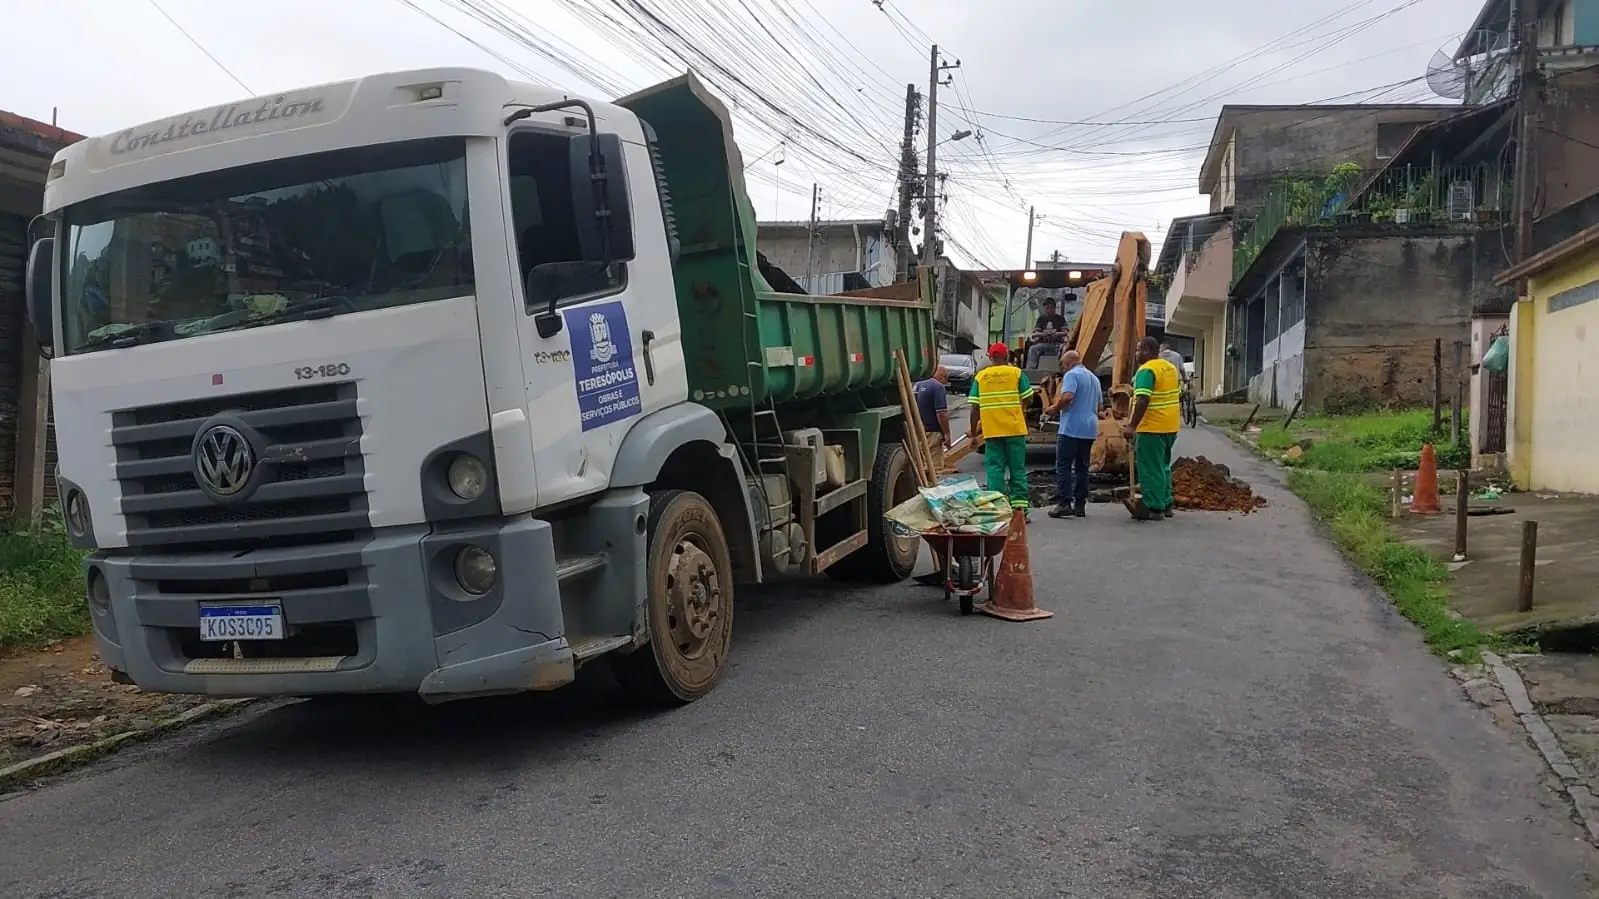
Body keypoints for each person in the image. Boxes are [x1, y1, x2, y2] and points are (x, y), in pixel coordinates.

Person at [969, 341, 1034, 517]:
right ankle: (1019, 510)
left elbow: (974, 408)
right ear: (1007, 356)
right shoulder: (1016, 373)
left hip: (992, 432)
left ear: (990, 357)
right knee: (1017, 470)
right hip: (1015, 430)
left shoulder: (981, 377)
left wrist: (973, 434)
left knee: (995, 470)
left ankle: (999, 509)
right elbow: (1029, 399)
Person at [1123, 336, 1182, 520]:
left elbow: (1143, 399)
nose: (1136, 354)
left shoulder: (1146, 370)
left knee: (1150, 468)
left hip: (1151, 427)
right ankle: (1166, 502)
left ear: (1147, 350)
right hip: (1170, 426)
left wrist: (1131, 426)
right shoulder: (1170, 368)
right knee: (1163, 466)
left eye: (1138, 350)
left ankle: (1154, 507)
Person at [1046, 350, 1101, 519]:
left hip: (1071, 427)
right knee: (1082, 468)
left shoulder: (1071, 375)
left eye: (1063, 365)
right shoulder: (1094, 378)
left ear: (1068, 363)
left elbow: (1068, 397)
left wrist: (1054, 408)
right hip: (1089, 428)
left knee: (1063, 465)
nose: (1063, 368)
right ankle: (1080, 505)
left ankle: (1064, 503)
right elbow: (1099, 406)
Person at [913, 366, 953, 478]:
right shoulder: (938, 387)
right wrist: (947, 434)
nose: (945, 383)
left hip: (917, 430)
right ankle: (932, 486)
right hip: (933, 431)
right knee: (934, 468)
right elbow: (941, 414)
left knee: (921, 466)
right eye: (946, 379)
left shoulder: (916, 385)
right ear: (942, 376)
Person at [1025, 298, 1069, 369]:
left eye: (1051, 307)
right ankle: (1031, 369)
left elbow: (1066, 332)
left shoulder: (1060, 319)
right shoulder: (1041, 319)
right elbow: (1036, 333)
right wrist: (1043, 334)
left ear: (1054, 308)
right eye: (1047, 307)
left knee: (1065, 348)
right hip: (1043, 344)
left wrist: (1057, 333)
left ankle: (1063, 368)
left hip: (1057, 344)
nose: (1049, 309)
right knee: (1033, 349)